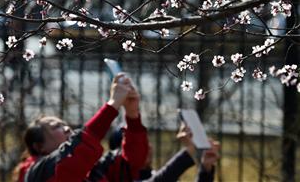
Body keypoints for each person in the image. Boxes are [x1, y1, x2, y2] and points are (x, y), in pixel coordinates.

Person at [13, 74, 149, 182]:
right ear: (39, 147)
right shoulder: (38, 173)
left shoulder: (93, 169)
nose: (67, 128)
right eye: (56, 127)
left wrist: (132, 115)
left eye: (64, 124)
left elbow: (132, 163)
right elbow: (76, 151)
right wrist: (112, 105)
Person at [106, 123, 219, 182]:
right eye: (135, 146)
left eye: (146, 141)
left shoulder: (157, 175)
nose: (146, 147)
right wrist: (189, 151)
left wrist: (205, 169)